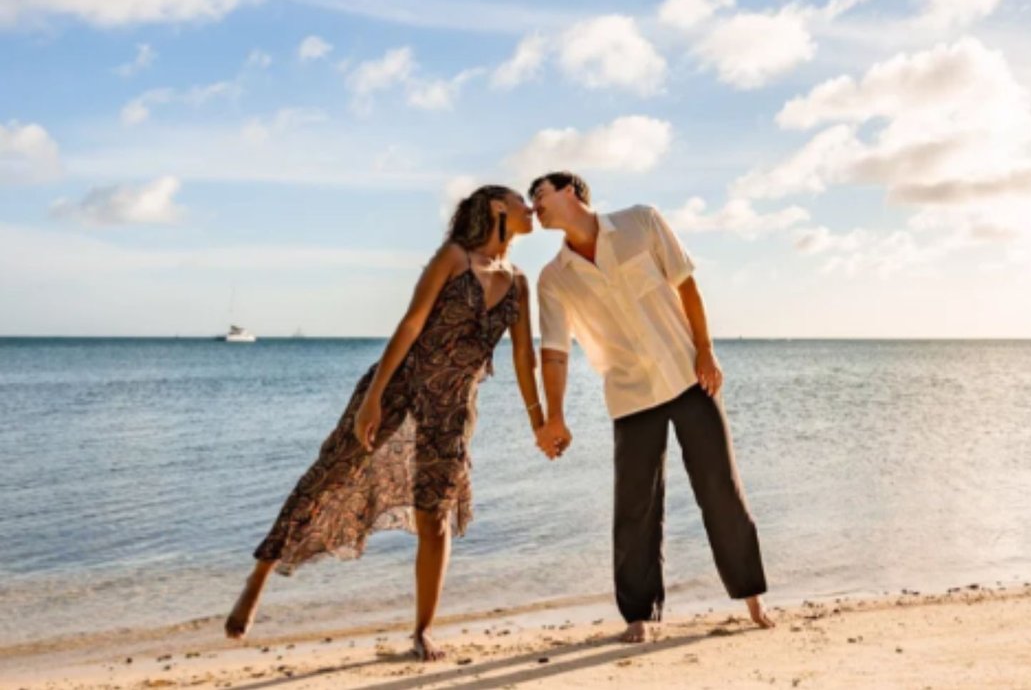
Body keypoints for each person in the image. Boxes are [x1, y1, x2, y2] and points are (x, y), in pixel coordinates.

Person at [224, 186, 544, 661]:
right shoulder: (452, 257)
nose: (531, 208)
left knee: (434, 516)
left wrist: (540, 419)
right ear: (497, 208)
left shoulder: (518, 282)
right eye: (522, 201)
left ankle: (422, 631)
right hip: (399, 385)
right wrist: (372, 399)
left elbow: (523, 355)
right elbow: (411, 324)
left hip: (453, 408)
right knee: (329, 474)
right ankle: (259, 576)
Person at [528, 171, 774, 644]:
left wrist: (705, 349)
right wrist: (554, 414)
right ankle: (641, 614)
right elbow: (554, 352)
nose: (533, 205)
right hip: (629, 394)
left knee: (720, 488)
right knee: (636, 508)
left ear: (571, 192)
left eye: (538, 194)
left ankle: (751, 597)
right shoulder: (553, 278)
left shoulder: (642, 222)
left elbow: (686, 287)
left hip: (687, 376)